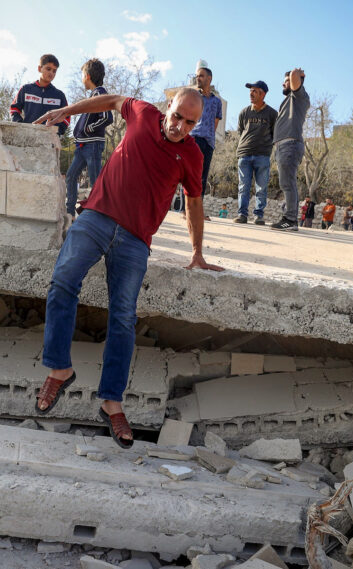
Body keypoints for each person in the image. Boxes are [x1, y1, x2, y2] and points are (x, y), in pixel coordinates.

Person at [31, 88, 223, 449]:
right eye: (178, 116)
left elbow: (194, 204)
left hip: (135, 239)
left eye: (190, 122)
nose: (180, 126)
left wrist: (197, 251)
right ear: (169, 107)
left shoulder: (192, 155)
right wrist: (67, 111)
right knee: (62, 281)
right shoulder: (143, 113)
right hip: (97, 217)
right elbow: (111, 100)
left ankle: (111, 401)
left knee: (122, 317)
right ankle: (60, 368)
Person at [64, 59, 113, 217]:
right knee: (71, 176)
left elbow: (107, 117)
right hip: (82, 147)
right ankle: (70, 212)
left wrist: (88, 129)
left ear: (87, 76)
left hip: (92, 146)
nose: (81, 78)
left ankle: (98, 215)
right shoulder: (93, 95)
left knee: (96, 182)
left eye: (82, 75)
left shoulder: (100, 93)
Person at [271, 68, 311, 231]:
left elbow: (294, 76)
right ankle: (289, 217)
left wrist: (296, 74)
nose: (283, 83)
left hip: (290, 145)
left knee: (288, 183)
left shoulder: (299, 96)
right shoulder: (289, 100)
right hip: (283, 146)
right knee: (286, 182)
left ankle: (290, 219)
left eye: (286, 80)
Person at [234, 80, 277, 224]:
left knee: (261, 188)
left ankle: (258, 215)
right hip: (244, 154)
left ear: (263, 94)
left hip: (262, 156)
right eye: (250, 91)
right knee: (243, 187)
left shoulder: (272, 113)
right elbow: (241, 131)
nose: (251, 93)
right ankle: (242, 215)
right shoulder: (244, 112)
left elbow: (275, 133)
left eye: (254, 90)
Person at [182, 66, 223, 217]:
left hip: (209, 142)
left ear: (209, 79)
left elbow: (216, 120)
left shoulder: (217, 102)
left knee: (203, 176)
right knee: (189, 173)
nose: (198, 78)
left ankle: (197, 211)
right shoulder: (193, 96)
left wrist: (209, 135)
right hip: (193, 138)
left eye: (201, 76)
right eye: (197, 76)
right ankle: (185, 209)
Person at [9, 54, 69, 134]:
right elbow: (14, 109)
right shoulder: (25, 89)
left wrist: (58, 132)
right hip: (27, 135)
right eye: (48, 69)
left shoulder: (60, 95)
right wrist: (20, 125)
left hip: (50, 139)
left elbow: (66, 117)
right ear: (39, 68)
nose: (51, 73)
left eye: (54, 71)